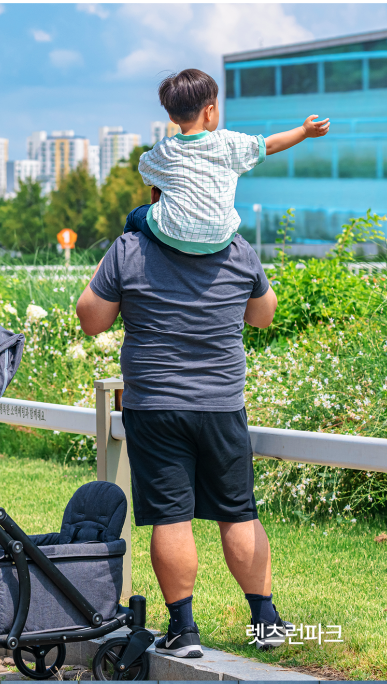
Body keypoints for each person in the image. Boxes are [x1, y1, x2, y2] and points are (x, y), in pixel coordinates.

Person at [77, 141, 290, 658]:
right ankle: (266, 621)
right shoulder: (237, 250)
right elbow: (264, 315)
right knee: (238, 513)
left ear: (158, 198)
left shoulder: (129, 250)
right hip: (221, 405)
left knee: (171, 518)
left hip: (155, 406)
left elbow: (90, 318)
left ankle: (184, 630)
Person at [126, 68, 330, 253]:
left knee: (136, 215)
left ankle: (122, 262)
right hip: (220, 238)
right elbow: (268, 145)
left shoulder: (164, 150)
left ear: (171, 116)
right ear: (209, 111)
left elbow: (144, 168)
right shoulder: (228, 142)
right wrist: (303, 131)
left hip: (173, 235)